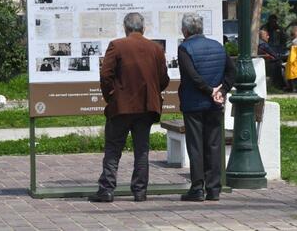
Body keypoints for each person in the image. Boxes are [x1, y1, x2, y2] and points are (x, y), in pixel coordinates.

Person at [88, 13, 170, 203]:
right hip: (147, 107)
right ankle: (140, 191)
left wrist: (111, 96)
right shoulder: (156, 49)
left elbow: (105, 75)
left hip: (121, 107)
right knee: (142, 150)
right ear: (144, 28)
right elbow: (163, 79)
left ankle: (107, 190)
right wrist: (152, 91)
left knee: (113, 149)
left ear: (125, 28)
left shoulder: (117, 46)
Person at [178, 13, 235, 202]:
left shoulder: (185, 48)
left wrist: (209, 90)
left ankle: (197, 188)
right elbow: (231, 70)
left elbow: (191, 75)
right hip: (215, 104)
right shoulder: (218, 46)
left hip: (194, 103)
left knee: (196, 146)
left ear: (185, 31)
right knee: (214, 145)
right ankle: (214, 189)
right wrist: (222, 90)